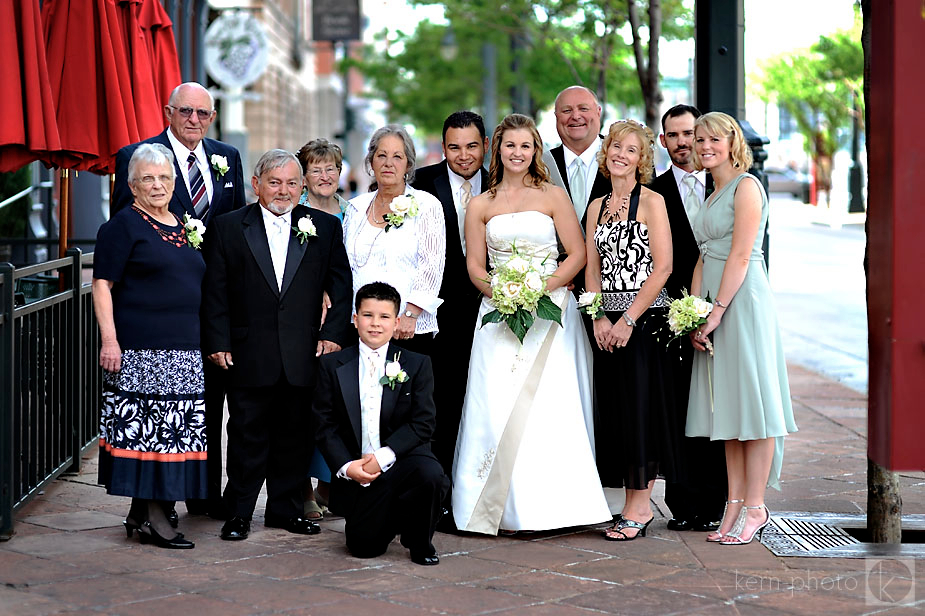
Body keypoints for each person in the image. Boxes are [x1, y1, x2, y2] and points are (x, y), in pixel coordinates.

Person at [452, 114, 611, 535]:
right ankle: (491, 509)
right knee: (495, 403)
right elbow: (474, 266)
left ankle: (558, 508)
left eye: (525, 146)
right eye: (510, 146)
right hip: (497, 312)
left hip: (550, 314)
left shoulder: (553, 196)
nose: (517, 153)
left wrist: (539, 290)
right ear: (497, 150)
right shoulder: (480, 204)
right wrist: (503, 294)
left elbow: (576, 254)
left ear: (535, 151)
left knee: (550, 407)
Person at [201, 149, 353, 541]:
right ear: (256, 185)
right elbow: (215, 291)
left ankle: (285, 510)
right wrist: (218, 340)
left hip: (303, 352)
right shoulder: (228, 227)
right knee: (246, 436)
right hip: (248, 351)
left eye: (291, 183)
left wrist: (332, 334)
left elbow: (340, 284)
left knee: (295, 436)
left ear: (301, 187)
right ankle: (238, 512)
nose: (283, 191)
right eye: (274, 182)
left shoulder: (323, 227)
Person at [112, 81, 247, 520]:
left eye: (203, 113)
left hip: (215, 296)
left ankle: (203, 492)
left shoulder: (227, 157)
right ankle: (153, 502)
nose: (194, 120)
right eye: (186, 111)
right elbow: (126, 230)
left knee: (201, 400)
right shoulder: (138, 157)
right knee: (156, 407)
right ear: (168, 111)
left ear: (212, 117)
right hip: (157, 307)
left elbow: (237, 225)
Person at [686, 112, 798, 545]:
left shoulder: (747, 186)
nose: (705, 145)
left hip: (742, 301)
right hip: (714, 300)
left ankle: (756, 506)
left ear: (732, 142)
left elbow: (740, 255)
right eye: (700, 139)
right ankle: (733, 504)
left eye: (714, 138)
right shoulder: (711, 193)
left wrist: (716, 311)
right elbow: (703, 255)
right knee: (726, 409)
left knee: (755, 405)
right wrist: (694, 312)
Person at [92, 143, 206, 549]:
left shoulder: (183, 222)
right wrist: (110, 340)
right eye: (147, 179)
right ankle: (157, 519)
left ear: (175, 182)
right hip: (143, 351)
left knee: (174, 436)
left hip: (186, 350)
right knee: (152, 437)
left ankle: (140, 514)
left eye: (164, 178)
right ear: (132, 184)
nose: (157, 185)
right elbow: (101, 284)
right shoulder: (121, 226)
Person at [584, 120, 683, 541]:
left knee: (640, 412)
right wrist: (599, 319)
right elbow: (591, 271)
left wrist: (627, 320)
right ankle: (627, 503)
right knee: (616, 416)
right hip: (607, 324)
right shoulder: (596, 207)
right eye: (614, 147)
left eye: (630, 149)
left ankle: (639, 508)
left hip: (643, 325)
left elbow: (663, 268)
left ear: (642, 158)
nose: (620, 154)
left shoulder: (653, 202)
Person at [313, 282, 449, 566]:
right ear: (355, 318)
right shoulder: (332, 365)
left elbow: (423, 423)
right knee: (364, 547)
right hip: (359, 471)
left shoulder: (416, 364)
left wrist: (384, 456)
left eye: (384, 317)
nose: (375, 324)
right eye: (367, 315)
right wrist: (348, 467)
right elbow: (324, 425)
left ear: (397, 321)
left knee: (432, 475)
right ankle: (388, 519)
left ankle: (419, 539)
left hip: (401, 461)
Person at [649, 104, 728, 534]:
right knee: (680, 409)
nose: (684, 143)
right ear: (664, 142)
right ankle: (682, 504)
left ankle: (718, 501)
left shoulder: (727, 185)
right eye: (675, 135)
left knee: (718, 406)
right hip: (672, 315)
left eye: (691, 134)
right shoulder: (654, 191)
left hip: (722, 311)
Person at [411, 111, 489, 530]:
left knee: (484, 404)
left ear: (485, 145)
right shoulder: (421, 184)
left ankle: (479, 493)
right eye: (454, 147)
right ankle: (439, 498)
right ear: (444, 148)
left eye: (471, 146)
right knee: (440, 406)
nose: (463, 156)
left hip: (493, 311)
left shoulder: (503, 180)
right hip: (436, 315)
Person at [343, 125, 446, 355]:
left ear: (408, 164)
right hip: (359, 327)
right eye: (381, 155)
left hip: (407, 328)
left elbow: (431, 266)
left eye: (397, 156)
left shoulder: (427, 205)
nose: (388, 163)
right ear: (371, 162)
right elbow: (344, 266)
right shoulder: (356, 208)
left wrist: (410, 315)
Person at [295, 137, 350, 520]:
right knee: (304, 405)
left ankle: (329, 484)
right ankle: (300, 487)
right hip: (303, 322)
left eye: (331, 168)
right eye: (316, 169)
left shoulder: (353, 211)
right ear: (303, 177)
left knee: (339, 404)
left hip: (346, 322)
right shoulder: (294, 213)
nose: (325, 175)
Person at [542, 86, 610, 224]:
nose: (575, 116)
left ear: (598, 112)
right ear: (556, 116)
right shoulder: (541, 165)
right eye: (567, 111)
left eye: (583, 109)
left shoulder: (627, 159)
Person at [296, 138, 350, 220]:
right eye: (316, 171)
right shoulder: (293, 212)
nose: (325, 177)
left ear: (338, 172)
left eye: (330, 169)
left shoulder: (352, 213)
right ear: (304, 179)